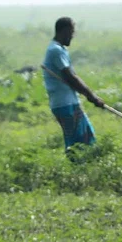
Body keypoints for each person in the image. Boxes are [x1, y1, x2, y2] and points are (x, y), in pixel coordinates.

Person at [40, 17, 107, 159]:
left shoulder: (60, 50)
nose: (73, 36)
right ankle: (77, 173)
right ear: (63, 31)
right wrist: (92, 97)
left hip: (69, 102)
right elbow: (71, 77)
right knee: (77, 144)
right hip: (64, 104)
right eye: (71, 32)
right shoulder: (55, 51)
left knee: (86, 137)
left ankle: (85, 170)